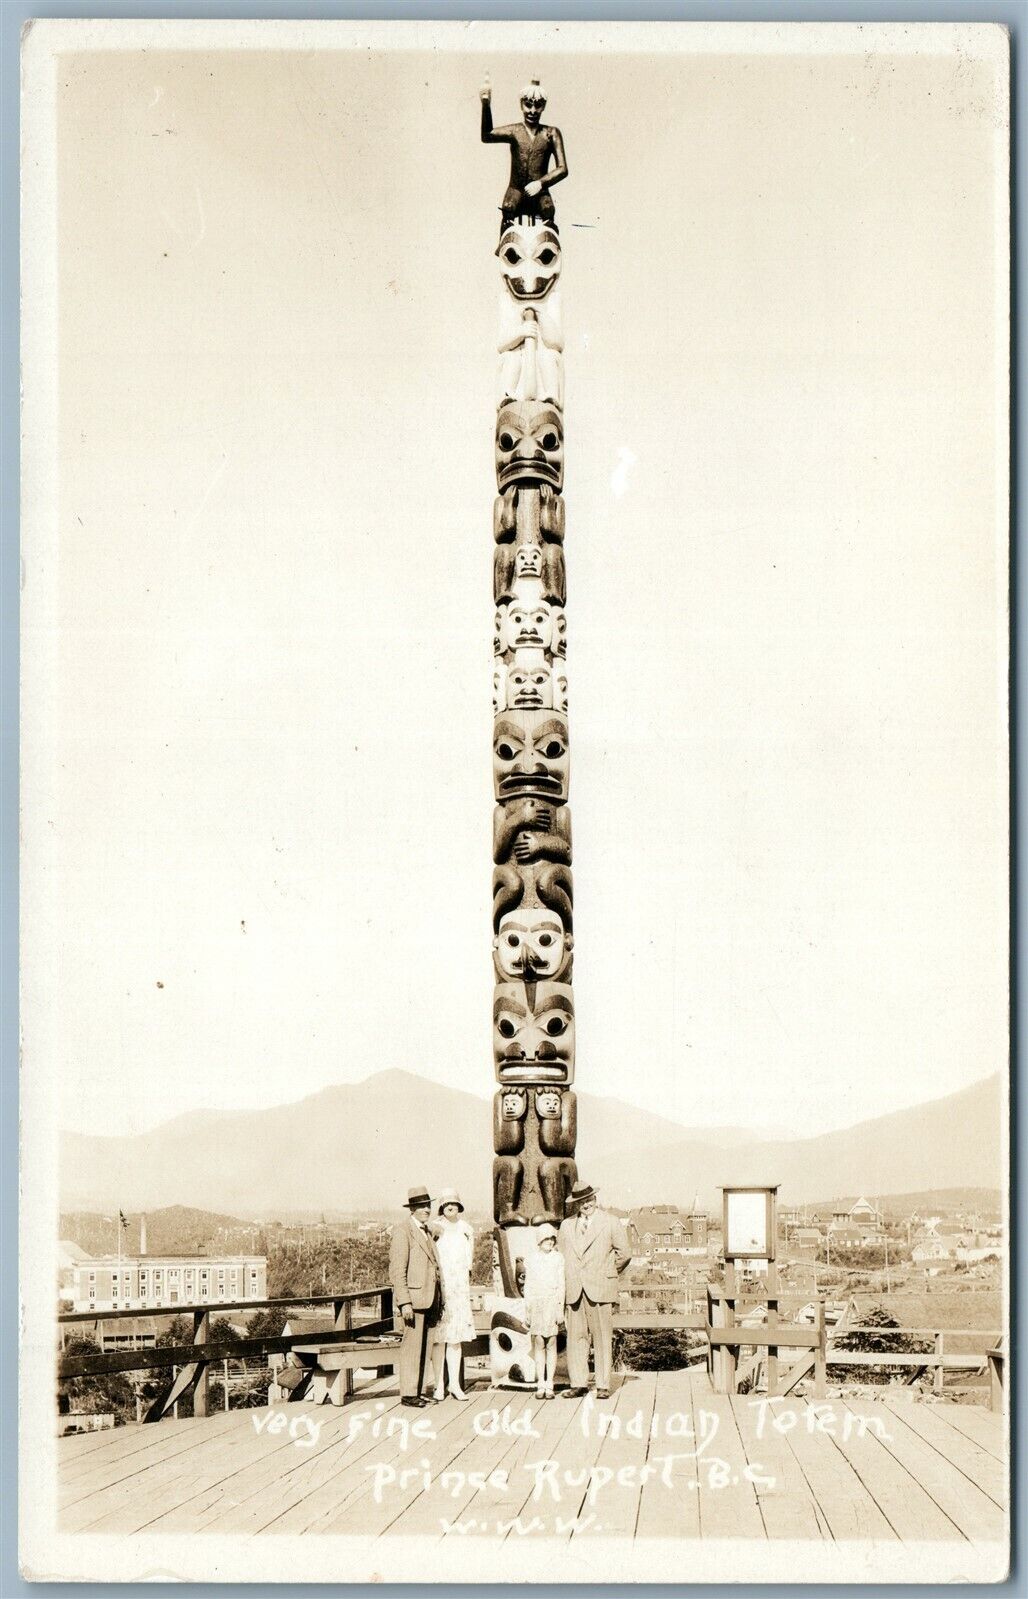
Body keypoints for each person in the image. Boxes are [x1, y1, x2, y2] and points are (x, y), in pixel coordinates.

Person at [558, 1182, 632, 1399]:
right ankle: (579, 1383)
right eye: (581, 1201)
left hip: (600, 1288)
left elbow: (624, 1253)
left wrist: (607, 1271)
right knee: (576, 1338)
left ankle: (602, 1385)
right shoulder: (566, 1226)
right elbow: (561, 1257)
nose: (586, 1204)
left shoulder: (610, 1222)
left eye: (589, 1200)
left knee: (601, 1338)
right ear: (576, 1204)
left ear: (595, 1200)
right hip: (574, 1290)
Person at [480, 76, 568, 229]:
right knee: (508, 207)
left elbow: (563, 168)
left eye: (538, 106)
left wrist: (541, 184)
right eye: (528, 105)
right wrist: (486, 105)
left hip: (540, 192)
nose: (532, 111)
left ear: (544, 106)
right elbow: (487, 136)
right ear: (521, 104)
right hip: (516, 189)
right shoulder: (515, 131)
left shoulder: (551, 133)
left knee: (548, 210)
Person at [388, 1185, 441, 1408]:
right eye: (421, 1206)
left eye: (428, 1205)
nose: (426, 1209)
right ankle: (408, 1394)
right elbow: (397, 1270)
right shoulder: (403, 1231)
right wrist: (404, 1302)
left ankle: (418, 1390)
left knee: (425, 1347)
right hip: (414, 1299)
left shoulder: (427, 1231)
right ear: (412, 1209)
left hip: (430, 1298)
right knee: (412, 1347)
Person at [430, 1188, 475, 1402]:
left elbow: (469, 1262)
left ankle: (455, 1385)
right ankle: (439, 1385)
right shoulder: (436, 1227)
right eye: (447, 1204)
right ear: (441, 1206)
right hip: (441, 1289)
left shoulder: (466, 1228)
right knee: (439, 1340)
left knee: (455, 1340)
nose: (451, 1207)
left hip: (459, 1290)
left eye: (454, 1204)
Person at [523, 1223, 565, 1399]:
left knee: (551, 1343)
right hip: (536, 1304)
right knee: (539, 1342)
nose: (549, 1242)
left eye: (551, 1238)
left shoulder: (558, 1258)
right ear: (539, 1241)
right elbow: (529, 1286)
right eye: (545, 1239)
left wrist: (559, 1309)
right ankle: (540, 1383)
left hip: (552, 1303)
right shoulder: (531, 1259)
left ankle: (550, 1383)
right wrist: (528, 1311)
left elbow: (561, 1284)